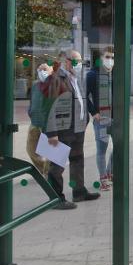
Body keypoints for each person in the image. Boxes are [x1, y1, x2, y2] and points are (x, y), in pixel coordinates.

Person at [42, 50, 100, 210]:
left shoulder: (76, 78)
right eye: (76, 61)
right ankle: (56, 199)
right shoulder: (55, 79)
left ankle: (79, 192)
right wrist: (51, 133)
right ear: (66, 61)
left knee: (77, 160)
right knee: (56, 165)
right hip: (61, 130)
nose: (79, 64)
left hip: (77, 128)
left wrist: (87, 117)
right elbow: (48, 108)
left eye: (80, 61)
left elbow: (83, 99)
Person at [87, 47, 114, 191]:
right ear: (101, 58)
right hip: (101, 118)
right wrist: (93, 112)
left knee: (119, 147)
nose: (110, 60)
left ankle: (110, 172)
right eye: (107, 57)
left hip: (116, 118)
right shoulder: (93, 75)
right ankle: (103, 178)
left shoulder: (115, 75)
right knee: (101, 150)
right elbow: (84, 96)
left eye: (112, 57)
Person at [25, 63, 53, 176]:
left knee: (51, 151)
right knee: (30, 149)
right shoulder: (35, 85)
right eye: (40, 70)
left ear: (51, 71)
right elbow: (32, 100)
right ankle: (44, 169)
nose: (42, 72)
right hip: (34, 121)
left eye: (45, 70)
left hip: (47, 123)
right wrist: (30, 111)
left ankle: (49, 172)